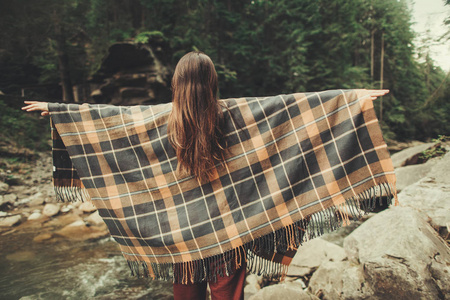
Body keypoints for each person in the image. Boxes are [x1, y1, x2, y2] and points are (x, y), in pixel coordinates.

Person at [23, 51, 391, 300]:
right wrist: (352, 98)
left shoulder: (156, 120)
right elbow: (295, 107)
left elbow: (107, 120)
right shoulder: (239, 113)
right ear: (213, 81)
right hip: (230, 233)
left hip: (180, 239)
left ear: (176, 82)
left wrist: (59, 111)